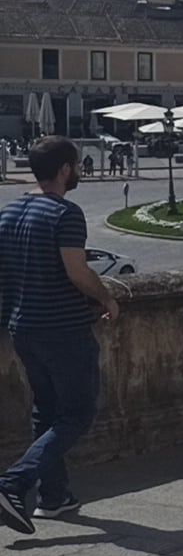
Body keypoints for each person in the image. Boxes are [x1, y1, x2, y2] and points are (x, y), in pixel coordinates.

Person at [0, 137, 121, 535]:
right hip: (62, 329)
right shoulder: (65, 213)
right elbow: (77, 271)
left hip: (23, 327)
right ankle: (12, 483)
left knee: (47, 412)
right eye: (77, 165)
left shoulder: (9, 211)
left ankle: (54, 498)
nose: (80, 170)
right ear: (66, 168)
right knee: (78, 414)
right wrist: (107, 297)